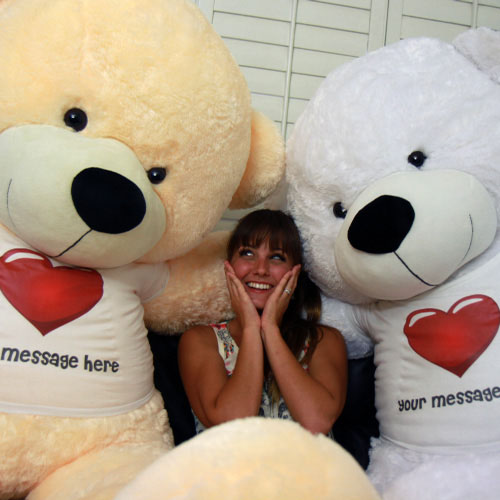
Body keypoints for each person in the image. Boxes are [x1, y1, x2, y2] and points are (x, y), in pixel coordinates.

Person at [178, 209, 347, 436]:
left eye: (276, 257)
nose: (260, 269)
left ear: (295, 273)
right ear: (229, 267)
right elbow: (231, 424)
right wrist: (250, 328)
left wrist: (270, 329)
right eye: (247, 253)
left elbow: (316, 422)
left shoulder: (323, 340)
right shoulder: (200, 341)